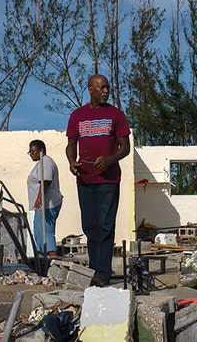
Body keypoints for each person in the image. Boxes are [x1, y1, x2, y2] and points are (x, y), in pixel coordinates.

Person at [66, 74, 131, 287]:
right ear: (90, 89)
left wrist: (110, 159)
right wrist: (71, 161)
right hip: (85, 180)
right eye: (101, 87)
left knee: (105, 225)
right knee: (90, 227)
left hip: (108, 181)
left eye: (107, 88)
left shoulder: (115, 114)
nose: (105, 91)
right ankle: (95, 269)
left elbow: (125, 147)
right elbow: (71, 144)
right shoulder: (77, 115)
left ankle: (103, 273)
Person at [26, 139, 63, 257]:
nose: (31, 154)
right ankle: (41, 261)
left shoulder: (46, 162)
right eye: (30, 152)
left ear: (41, 151)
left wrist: (39, 199)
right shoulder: (41, 163)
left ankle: (52, 261)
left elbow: (45, 181)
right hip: (42, 205)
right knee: (39, 233)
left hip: (47, 204)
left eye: (33, 151)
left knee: (46, 232)